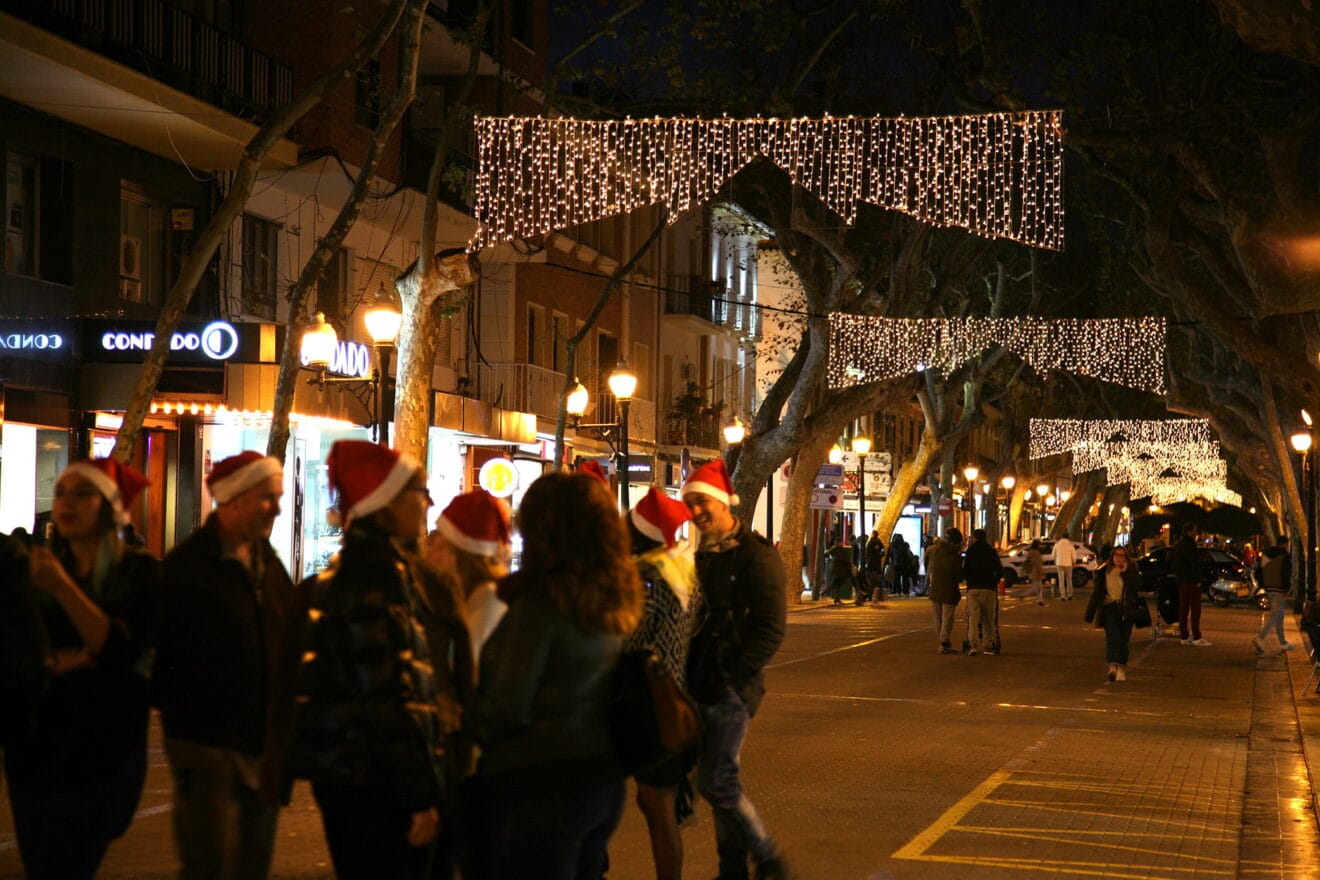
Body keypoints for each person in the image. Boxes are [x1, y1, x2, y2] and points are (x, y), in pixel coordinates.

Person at [291, 440, 473, 880]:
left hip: (355, 780)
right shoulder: (378, 578)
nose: (427, 503)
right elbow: (388, 694)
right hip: (377, 786)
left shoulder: (362, 571)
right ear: (387, 504)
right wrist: (419, 794)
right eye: (418, 491)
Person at [465, 472, 643, 880]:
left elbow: (508, 702)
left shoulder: (542, 605)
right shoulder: (614, 595)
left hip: (539, 781)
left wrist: (462, 722)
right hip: (601, 776)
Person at [4, 459, 161, 879]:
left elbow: (118, 650)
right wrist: (65, 660)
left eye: (82, 494)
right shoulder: (34, 568)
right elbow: (21, 657)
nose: (66, 503)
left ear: (108, 508)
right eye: (60, 494)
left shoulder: (137, 572)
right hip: (34, 750)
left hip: (101, 754)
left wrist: (62, 589)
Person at [154, 451, 301, 880]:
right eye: (266, 498)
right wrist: (187, 723)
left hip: (263, 746)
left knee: (252, 863)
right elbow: (162, 653)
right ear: (233, 500)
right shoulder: (189, 568)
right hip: (208, 744)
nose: (275, 508)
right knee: (212, 863)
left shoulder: (268, 566)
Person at [681, 460, 794, 880]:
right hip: (701, 682)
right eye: (689, 504)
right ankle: (732, 869)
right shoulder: (705, 554)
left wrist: (735, 673)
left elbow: (771, 628)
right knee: (721, 782)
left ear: (723, 503)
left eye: (701, 503)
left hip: (729, 687)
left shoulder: (757, 557)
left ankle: (768, 858)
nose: (695, 512)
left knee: (717, 781)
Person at [623, 487, 701, 880]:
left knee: (655, 805)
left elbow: (629, 639)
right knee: (660, 803)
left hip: (642, 702)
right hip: (673, 697)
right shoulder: (684, 572)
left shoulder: (644, 577)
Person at [428, 489, 513, 661]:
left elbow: (465, 666)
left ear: (460, 552)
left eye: (440, 542)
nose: (430, 549)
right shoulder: (467, 593)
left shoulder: (488, 599)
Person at [1084, 544, 1143, 682]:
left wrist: (1127, 573)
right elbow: (1097, 593)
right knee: (1112, 638)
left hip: (1126, 609)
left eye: (1122, 555)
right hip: (1109, 608)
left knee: (1123, 640)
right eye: (1117, 555)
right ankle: (1112, 667)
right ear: (1112, 557)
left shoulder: (1131, 570)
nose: (1119, 558)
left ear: (1126, 557)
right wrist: (1090, 613)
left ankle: (1121, 669)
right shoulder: (1104, 570)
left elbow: (1137, 586)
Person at [1253, 536, 1297, 653]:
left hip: (1269, 587)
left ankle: (1283, 642)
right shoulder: (1285, 557)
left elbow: (1258, 571)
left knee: (1279, 615)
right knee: (1275, 616)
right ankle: (1260, 637)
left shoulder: (1266, 554)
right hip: (1279, 589)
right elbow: (1287, 573)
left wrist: (1263, 584)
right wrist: (1288, 588)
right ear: (1285, 544)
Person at [962, 528, 1001, 656]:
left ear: (975, 538)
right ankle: (989, 645)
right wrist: (994, 580)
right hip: (989, 587)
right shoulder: (991, 551)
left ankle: (973, 644)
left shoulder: (970, 551)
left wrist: (969, 580)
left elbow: (965, 569)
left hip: (973, 587)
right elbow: (1000, 570)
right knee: (988, 618)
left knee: (973, 617)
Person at [925, 528, 963, 654]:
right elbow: (958, 575)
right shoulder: (955, 556)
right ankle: (944, 642)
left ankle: (942, 641)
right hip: (949, 589)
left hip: (935, 587)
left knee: (938, 618)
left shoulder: (933, 551)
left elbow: (927, 565)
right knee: (947, 618)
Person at [1173, 523, 1210, 646]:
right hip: (1191, 581)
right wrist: (1197, 580)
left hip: (1181, 581)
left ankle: (1184, 636)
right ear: (1189, 532)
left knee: (1183, 609)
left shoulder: (1179, 545)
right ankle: (1196, 636)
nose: (1196, 533)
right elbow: (1193, 564)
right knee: (1195, 609)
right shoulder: (1190, 545)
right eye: (1194, 531)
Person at [823, 535, 854, 606]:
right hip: (837, 569)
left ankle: (836, 599)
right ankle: (826, 592)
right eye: (840, 542)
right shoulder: (836, 548)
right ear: (838, 542)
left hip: (840, 569)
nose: (841, 543)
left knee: (837, 584)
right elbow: (827, 553)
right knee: (836, 584)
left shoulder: (840, 549)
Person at [864, 530, 886, 602]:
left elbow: (866, 553)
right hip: (876, 565)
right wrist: (881, 555)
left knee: (872, 583)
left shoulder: (871, 542)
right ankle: (879, 596)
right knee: (878, 582)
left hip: (871, 565)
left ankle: (870, 596)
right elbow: (883, 550)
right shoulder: (878, 542)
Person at [1053, 532, 1077, 600]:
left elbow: (1053, 555)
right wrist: (1073, 562)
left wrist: (1056, 560)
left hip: (1059, 563)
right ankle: (1070, 594)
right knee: (1069, 580)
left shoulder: (1057, 544)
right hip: (1068, 564)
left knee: (1061, 580)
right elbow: (1074, 556)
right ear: (1068, 537)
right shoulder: (1070, 545)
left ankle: (1062, 595)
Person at [1025, 540, 1046, 605]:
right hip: (1036, 572)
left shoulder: (1034, 552)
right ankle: (1024, 595)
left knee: (1039, 587)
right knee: (1037, 588)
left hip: (1036, 572)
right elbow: (1037, 563)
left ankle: (1039, 600)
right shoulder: (1035, 553)